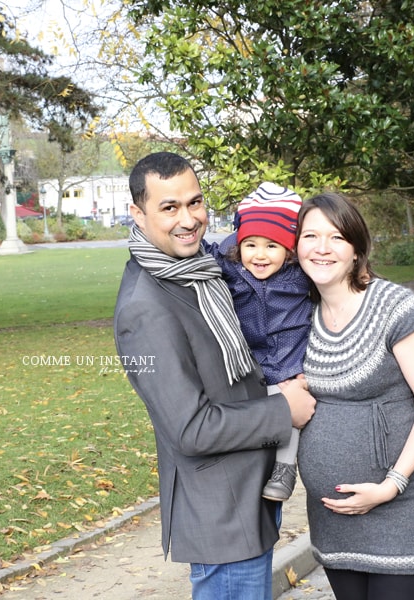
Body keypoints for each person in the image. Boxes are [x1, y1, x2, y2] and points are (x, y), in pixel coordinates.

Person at [113, 152, 316, 600]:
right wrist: (287, 410)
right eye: (169, 208)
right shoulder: (144, 309)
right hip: (220, 513)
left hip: (249, 495)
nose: (189, 220)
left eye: (195, 202)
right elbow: (190, 429)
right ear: (137, 213)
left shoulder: (200, 272)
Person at [295, 192, 414, 600]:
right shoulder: (299, 315)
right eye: (310, 236)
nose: (322, 248)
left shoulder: (394, 307)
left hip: (399, 506)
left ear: (356, 249)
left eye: (336, 237)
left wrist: (391, 485)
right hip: (333, 515)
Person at [204, 182, 312, 501]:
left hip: (290, 361)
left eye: (272, 246)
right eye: (250, 244)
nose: (259, 255)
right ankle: (256, 464)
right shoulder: (232, 269)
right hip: (250, 361)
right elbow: (207, 253)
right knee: (255, 407)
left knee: (289, 400)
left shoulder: (300, 274)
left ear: (289, 249)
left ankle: (285, 468)